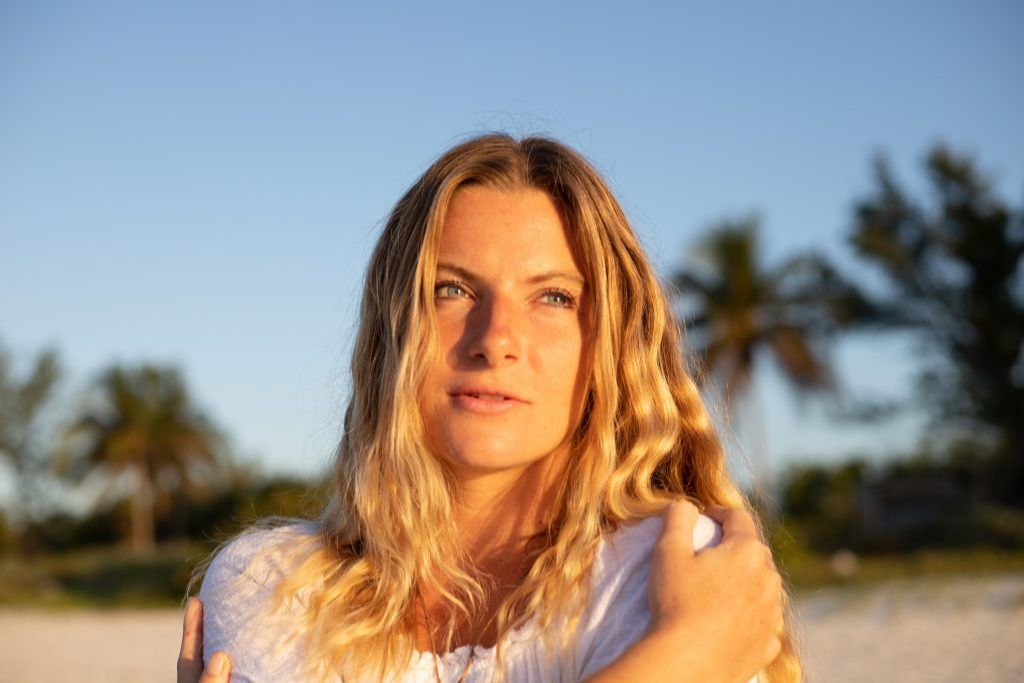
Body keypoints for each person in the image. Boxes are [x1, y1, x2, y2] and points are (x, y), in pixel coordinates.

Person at [176, 134, 799, 682]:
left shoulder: (666, 571)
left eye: (553, 297)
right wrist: (683, 660)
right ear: (392, 333)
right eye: (451, 290)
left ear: (609, 345)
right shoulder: (276, 586)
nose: (495, 339)